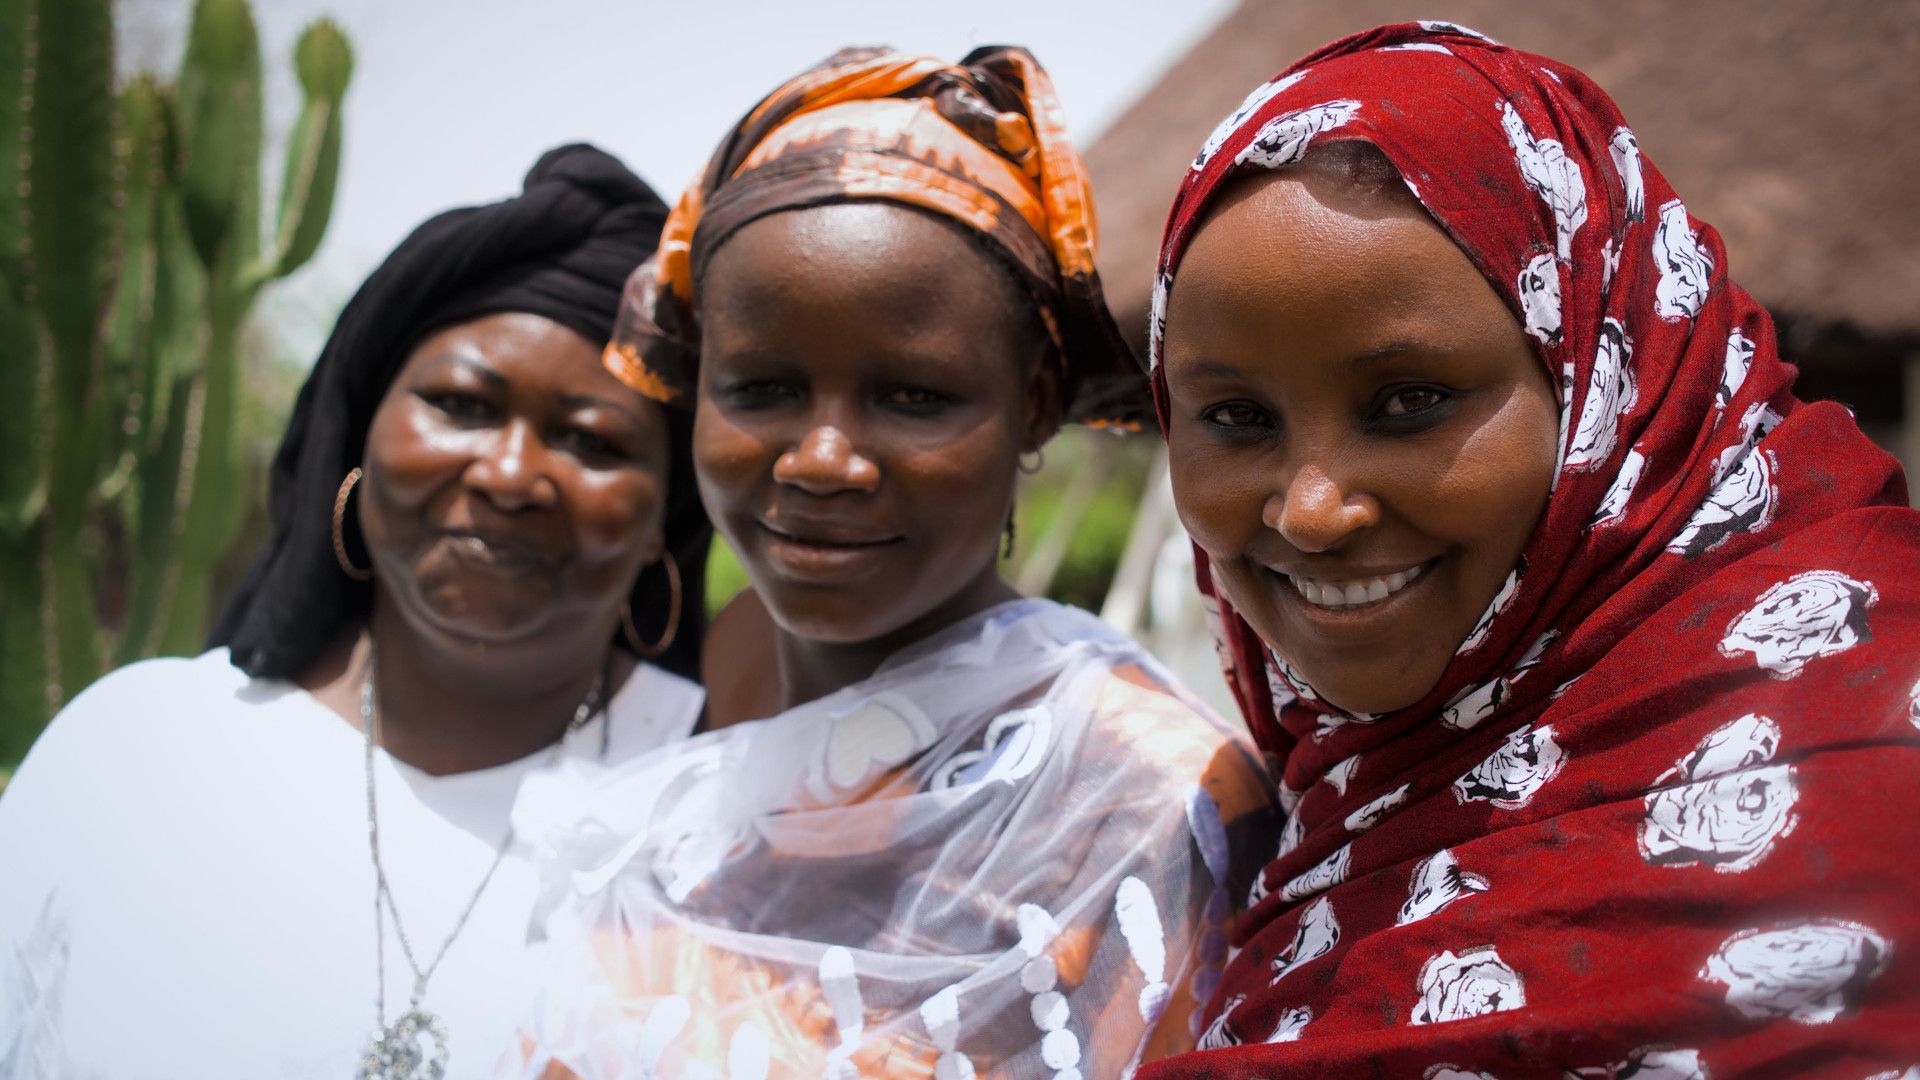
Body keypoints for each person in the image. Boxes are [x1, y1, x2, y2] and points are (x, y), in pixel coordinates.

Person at [1143, 21, 1920, 1077]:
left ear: (1607, 383)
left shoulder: (1870, 756)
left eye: (1409, 401)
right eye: (1235, 418)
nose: (1312, 511)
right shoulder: (1283, 820)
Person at [505, 48, 1273, 1079]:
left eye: (913, 397)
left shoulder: (1148, 800)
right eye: (762, 387)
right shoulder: (663, 795)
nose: (822, 460)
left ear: (1036, 404)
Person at [0, 144, 710, 1080]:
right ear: (358, 434)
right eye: (460, 404)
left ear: (669, 510)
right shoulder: (135, 751)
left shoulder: (719, 816)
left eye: (591, 440)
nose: (509, 475)